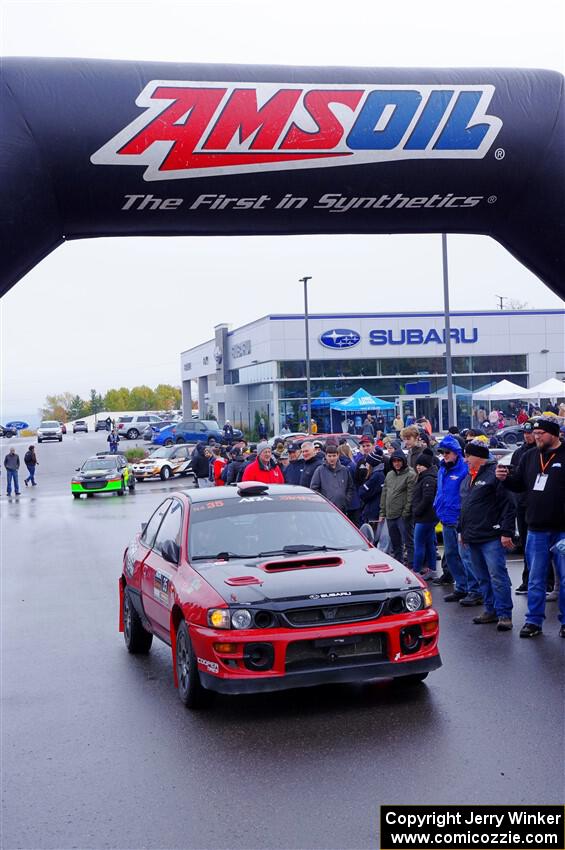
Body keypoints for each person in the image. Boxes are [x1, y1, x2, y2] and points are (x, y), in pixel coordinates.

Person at [496, 416, 565, 638]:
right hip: (535, 528)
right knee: (535, 578)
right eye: (534, 434)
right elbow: (518, 485)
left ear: (554, 434)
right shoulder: (529, 457)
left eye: (541, 434)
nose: (536, 437)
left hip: (562, 530)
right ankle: (533, 621)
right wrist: (505, 479)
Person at [460, 440, 515, 631]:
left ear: (479, 457)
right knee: (482, 576)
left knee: (497, 576)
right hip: (472, 535)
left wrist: (506, 532)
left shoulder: (495, 474)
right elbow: (465, 507)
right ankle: (490, 610)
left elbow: (508, 505)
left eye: (468, 455)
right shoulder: (469, 477)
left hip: (491, 536)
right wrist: (462, 531)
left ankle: (504, 614)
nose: (465, 459)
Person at [433, 434, 482, 604]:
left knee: (466, 557)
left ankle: (475, 591)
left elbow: (468, 494)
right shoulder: (442, 469)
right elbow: (441, 492)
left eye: (447, 452)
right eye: (442, 452)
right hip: (446, 518)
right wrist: (437, 506)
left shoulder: (464, 469)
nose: (444, 455)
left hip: (460, 520)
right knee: (452, 555)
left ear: (456, 452)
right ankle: (461, 588)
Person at [509, 421, 537, 594]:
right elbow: (514, 477)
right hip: (522, 504)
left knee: (541, 546)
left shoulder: (542, 452)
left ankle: (547, 581)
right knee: (526, 544)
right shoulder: (519, 453)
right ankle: (527, 580)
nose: (527, 436)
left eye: (531, 432)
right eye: (525, 433)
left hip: (538, 505)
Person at [378, 450, 416, 565]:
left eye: (399, 461)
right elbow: (384, 493)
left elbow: (411, 496)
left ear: (403, 461)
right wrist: (382, 512)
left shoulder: (410, 474)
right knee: (395, 542)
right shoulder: (390, 474)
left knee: (408, 541)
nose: (396, 463)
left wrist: (405, 513)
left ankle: (412, 564)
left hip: (402, 515)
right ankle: (398, 563)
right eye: (394, 461)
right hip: (390, 514)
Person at [411, 454, 438, 578]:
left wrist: (417, 511)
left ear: (427, 466)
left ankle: (416, 570)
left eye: (421, 465)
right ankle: (432, 570)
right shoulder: (425, 477)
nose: (418, 467)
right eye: (417, 465)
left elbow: (428, 498)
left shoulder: (428, 479)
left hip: (425, 517)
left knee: (419, 544)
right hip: (429, 517)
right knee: (429, 544)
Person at [310, 442, 353, 512]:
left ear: (338, 456)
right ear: (326, 456)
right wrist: (322, 503)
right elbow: (314, 488)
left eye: (334, 456)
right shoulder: (320, 470)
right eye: (329, 456)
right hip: (325, 509)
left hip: (342, 509)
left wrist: (346, 501)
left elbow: (350, 487)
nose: (332, 458)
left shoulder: (344, 470)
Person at [359, 450, 385, 530]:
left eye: (367, 463)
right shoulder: (378, 474)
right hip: (372, 509)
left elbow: (362, 492)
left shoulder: (376, 476)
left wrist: (363, 488)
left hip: (373, 511)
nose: (366, 465)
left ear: (372, 464)